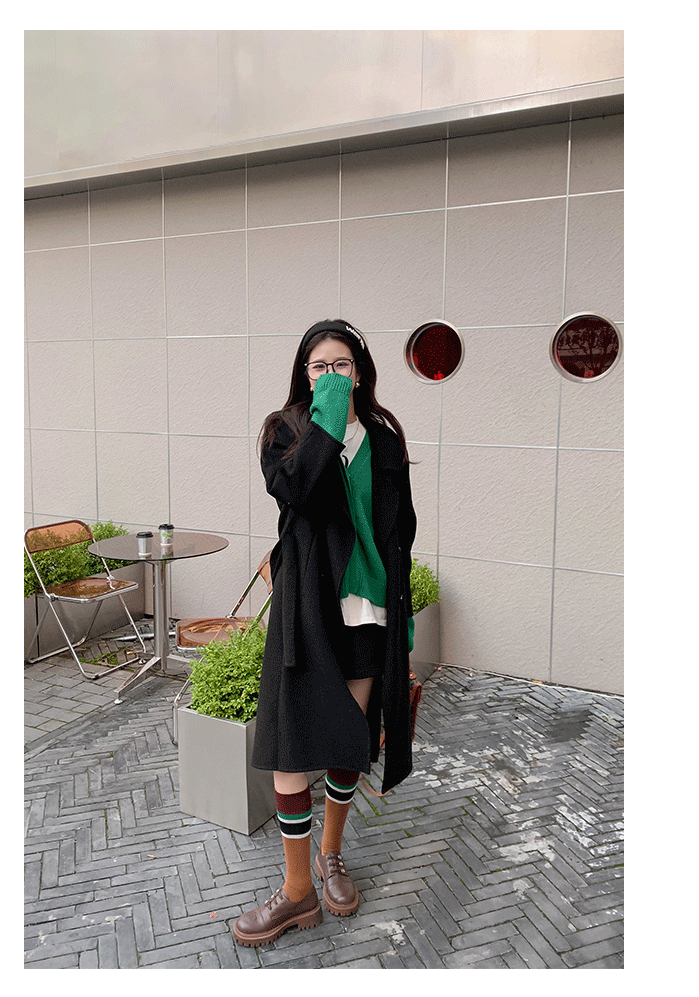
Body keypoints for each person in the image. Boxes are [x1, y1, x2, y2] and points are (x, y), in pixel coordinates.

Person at [232, 319, 417, 948]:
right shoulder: (283, 431)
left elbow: (401, 528)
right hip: (307, 611)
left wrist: (402, 614)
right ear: (304, 375)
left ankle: (329, 856)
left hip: (369, 609)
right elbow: (296, 490)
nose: (331, 375)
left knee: (346, 740)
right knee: (289, 749)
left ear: (360, 372)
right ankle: (296, 892)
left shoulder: (385, 438)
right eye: (320, 367)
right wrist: (328, 417)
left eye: (342, 366)